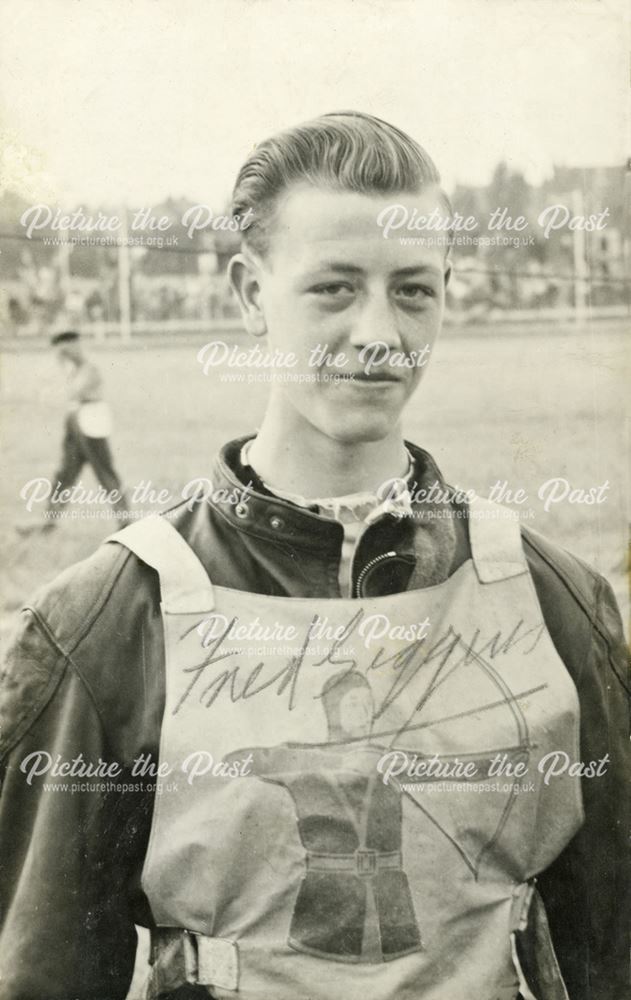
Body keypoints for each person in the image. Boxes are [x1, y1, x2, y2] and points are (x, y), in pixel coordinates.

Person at [0, 113, 628, 1000]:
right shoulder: (108, 621)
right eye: (334, 288)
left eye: (413, 290)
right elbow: (43, 972)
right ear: (250, 293)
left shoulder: (554, 602)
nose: (379, 331)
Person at [16, 329, 127, 533]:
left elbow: (72, 393)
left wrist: (60, 367)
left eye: (66, 348)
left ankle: (125, 520)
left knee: (105, 473)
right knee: (65, 474)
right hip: (75, 421)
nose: (62, 353)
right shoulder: (74, 369)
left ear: (76, 346)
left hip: (91, 420)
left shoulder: (89, 369)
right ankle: (49, 521)